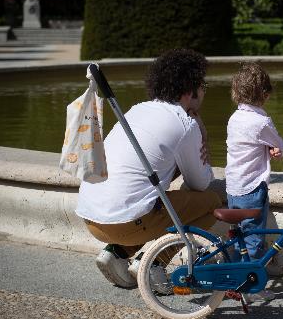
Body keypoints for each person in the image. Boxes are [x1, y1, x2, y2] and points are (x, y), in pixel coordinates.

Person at [75, 48, 222, 289]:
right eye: (203, 85)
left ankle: (116, 253)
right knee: (212, 202)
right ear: (189, 90)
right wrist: (203, 135)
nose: (204, 91)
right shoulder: (185, 124)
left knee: (149, 193)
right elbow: (200, 184)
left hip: (91, 218)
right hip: (125, 223)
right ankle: (152, 262)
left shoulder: (136, 110)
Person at [225, 62, 283, 302]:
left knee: (238, 236)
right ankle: (250, 288)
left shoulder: (234, 118)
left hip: (233, 187)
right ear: (265, 93)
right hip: (252, 188)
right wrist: (276, 150)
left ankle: (235, 279)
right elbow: (280, 146)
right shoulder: (262, 122)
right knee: (253, 239)